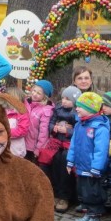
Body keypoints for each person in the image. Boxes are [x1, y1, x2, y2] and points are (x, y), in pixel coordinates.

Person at [67, 92, 110, 221]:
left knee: (93, 192)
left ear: (91, 108)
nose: (77, 109)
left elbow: (101, 150)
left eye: (80, 106)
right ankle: (87, 212)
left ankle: (95, 215)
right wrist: (70, 161)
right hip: (81, 166)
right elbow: (73, 144)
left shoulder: (100, 128)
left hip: (92, 169)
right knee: (83, 191)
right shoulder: (80, 125)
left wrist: (96, 168)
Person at [40, 85, 81, 213]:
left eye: (67, 99)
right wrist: (54, 128)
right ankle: (52, 192)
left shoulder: (77, 112)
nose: (63, 101)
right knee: (46, 159)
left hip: (70, 143)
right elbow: (51, 121)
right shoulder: (58, 109)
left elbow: (80, 128)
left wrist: (68, 130)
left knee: (65, 160)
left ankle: (64, 196)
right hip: (56, 141)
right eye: (63, 98)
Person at [24, 80, 54, 164]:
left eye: (39, 93)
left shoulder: (45, 110)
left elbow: (43, 133)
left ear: (45, 96)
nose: (34, 94)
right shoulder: (27, 103)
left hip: (33, 148)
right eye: (34, 90)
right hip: (23, 143)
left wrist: (38, 149)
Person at [0, 87, 29, 158]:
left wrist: (5, 132)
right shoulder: (3, 110)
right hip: (2, 146)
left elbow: (22, 130)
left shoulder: (22, 113)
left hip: (16, 148)